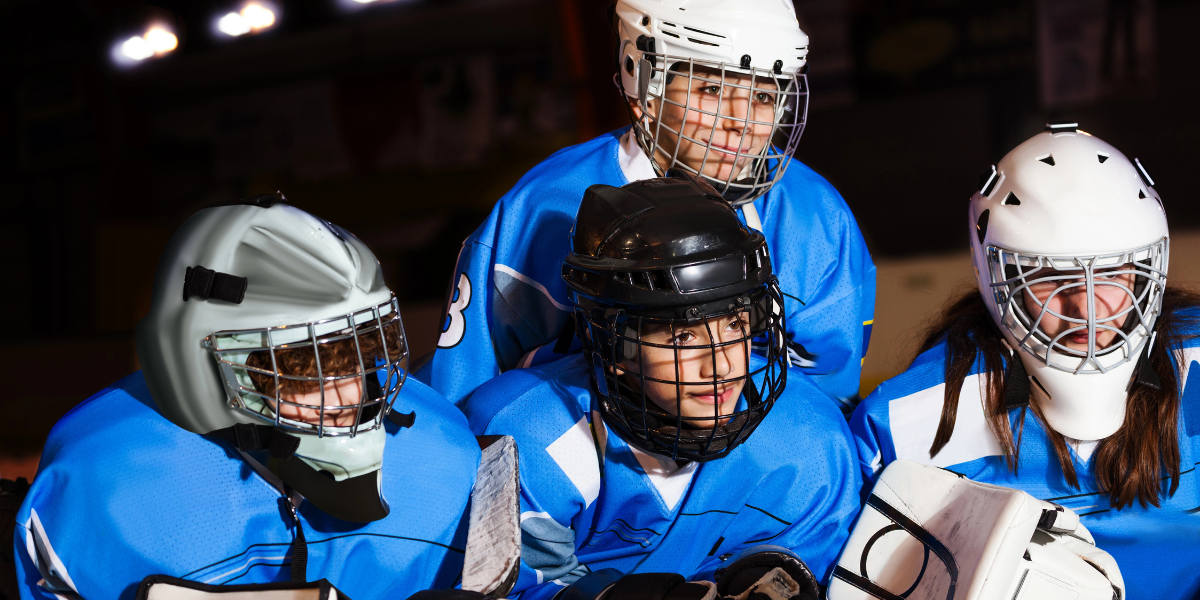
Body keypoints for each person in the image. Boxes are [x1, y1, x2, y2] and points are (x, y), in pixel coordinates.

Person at [14, 196, 481, 599]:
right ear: (203, 374)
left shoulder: (445, 461)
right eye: (302, 367)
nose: (349, 395)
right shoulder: (105, 490)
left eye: (360, 353)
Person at [417, 0, 875, 411]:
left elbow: (823, 400)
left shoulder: (815, 216)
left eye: (763, 95)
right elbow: (471, 393)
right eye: (711, 91)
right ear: (645, 86)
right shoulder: (545, 208)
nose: (742, 123)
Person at [463, 175, 862, 600]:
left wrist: (760, 571)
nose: (722, 364)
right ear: (615, 343)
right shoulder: (526, 433)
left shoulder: (809, 437)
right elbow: (504, 589)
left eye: (735, 323)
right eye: (682, 337)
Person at [849, 124, 1200, 599]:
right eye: (1052, 279)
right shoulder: (908, 420)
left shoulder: (1192, 363)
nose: (1088, 310)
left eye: (1115, 273)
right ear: (995, 277)